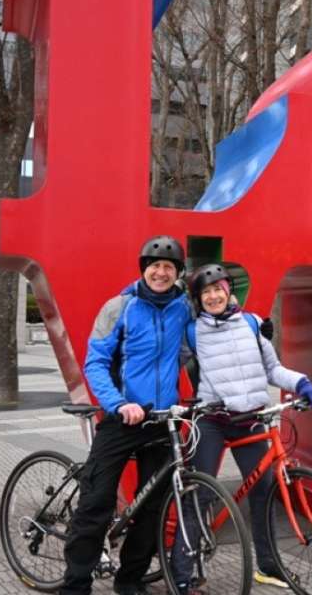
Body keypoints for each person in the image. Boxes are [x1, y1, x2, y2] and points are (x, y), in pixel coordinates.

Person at [171, 263, 312, 594]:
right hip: (211, 421)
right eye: (205, 292)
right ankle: (182, 573)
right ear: (199, 299)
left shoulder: (252, 324)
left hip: (251, 419)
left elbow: (273, 369)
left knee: (264, 493)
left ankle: (268, 567)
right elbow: (170, 366)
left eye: (218, 290)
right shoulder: (193, 332)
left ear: (229, 292)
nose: (213, 296)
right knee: (198, 493)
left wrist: (302, 383)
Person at [60, 235, 191, 595]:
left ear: (178, 273)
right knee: (96, 503)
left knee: (152, 510)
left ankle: (129, 580)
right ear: (144, 270)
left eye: (168, 267)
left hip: (162, 420)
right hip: (123, 418)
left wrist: (256, 326)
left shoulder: (184, 307)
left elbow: (215, 327)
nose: (161, 273)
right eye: (155, 266)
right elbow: (96, 363)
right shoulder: (119, 307)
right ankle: (75, 584)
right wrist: (119, 404)